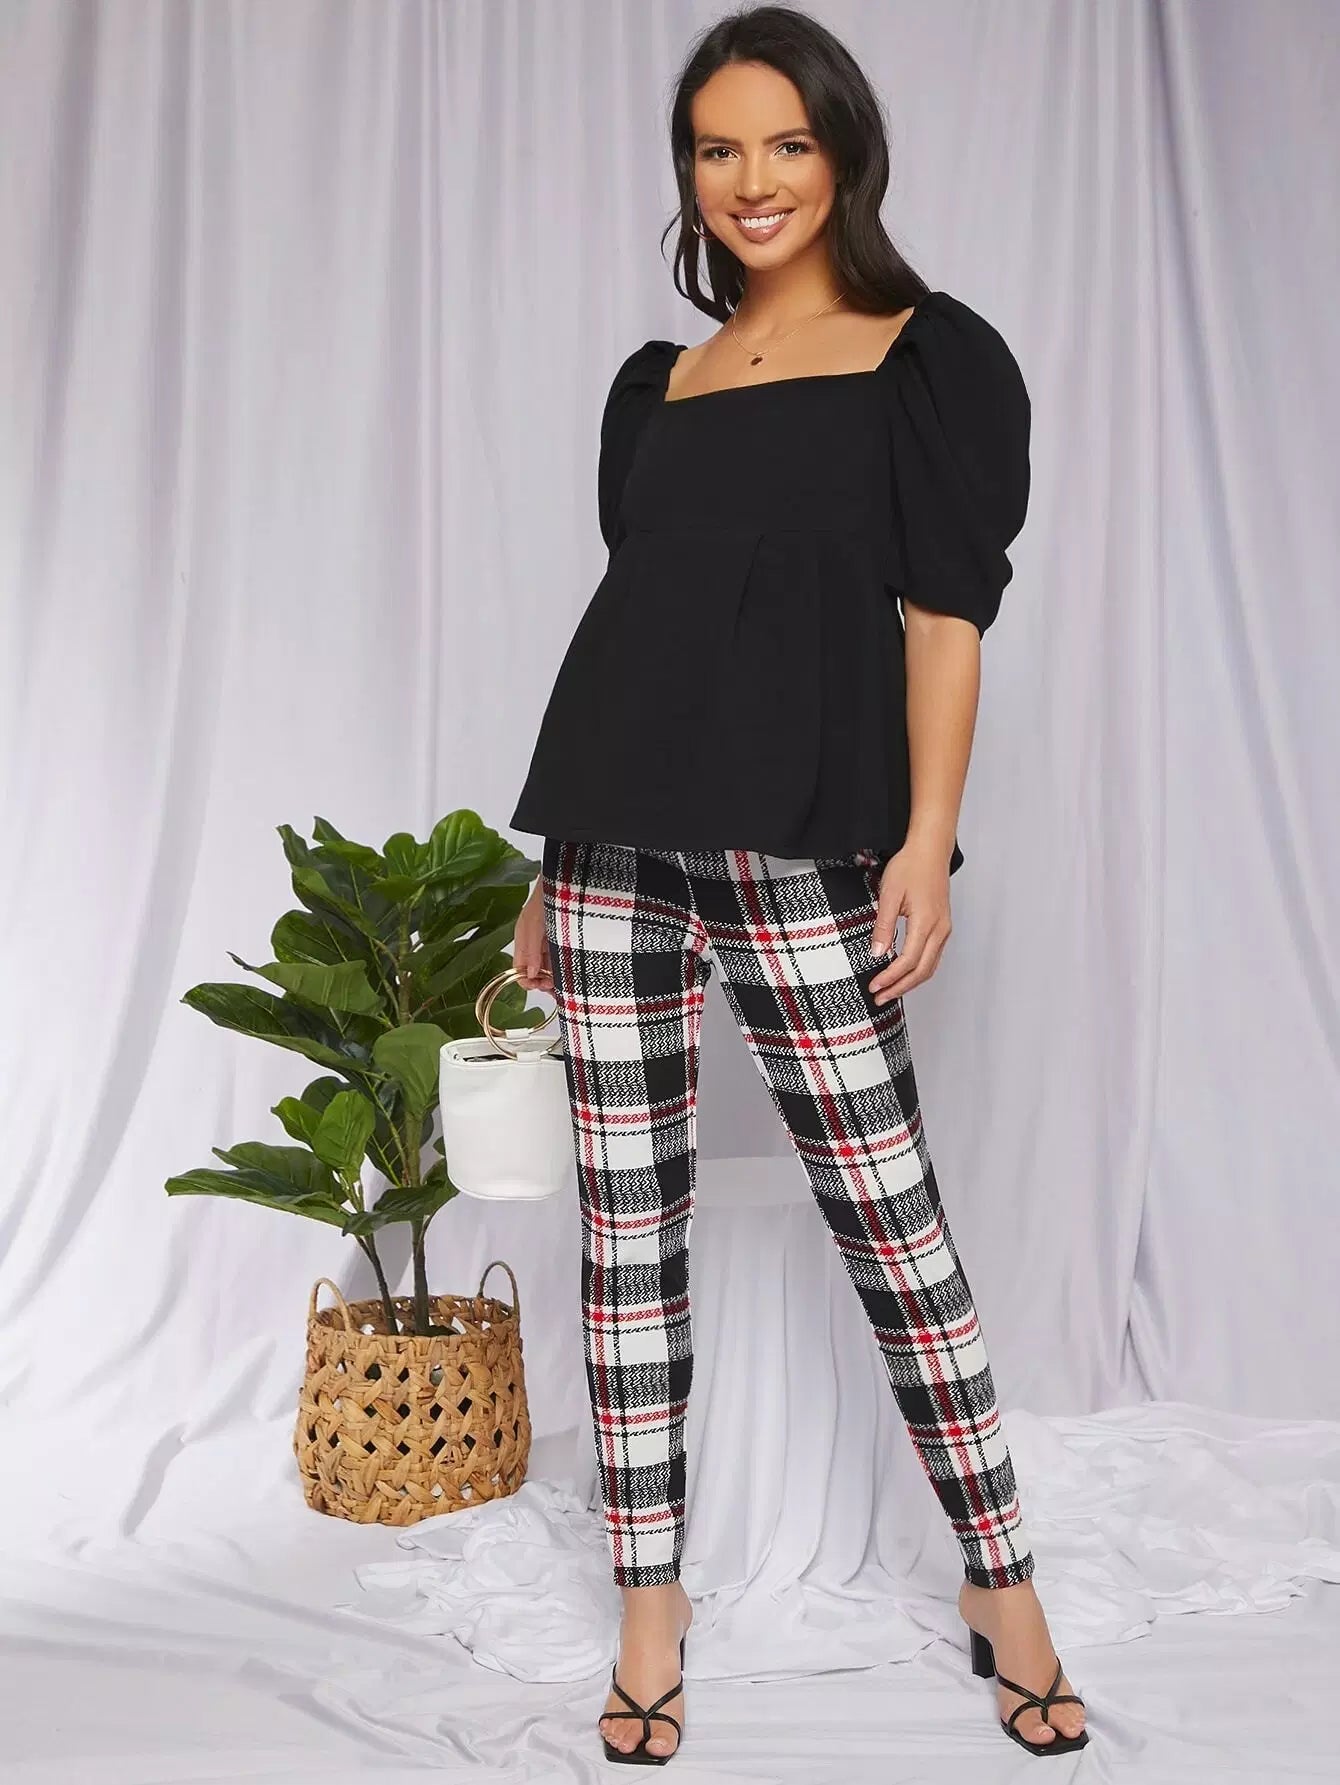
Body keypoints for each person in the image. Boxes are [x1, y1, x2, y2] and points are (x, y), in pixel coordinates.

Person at [509, 5, 1088, 1765]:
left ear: (844, 155)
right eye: (717, 148)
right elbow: (641, 633)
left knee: (893, 1225)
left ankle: (1004, 1583)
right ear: (687, 171)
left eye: (786, 143)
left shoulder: (927, 360)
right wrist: (550, 861)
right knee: (628, 1236)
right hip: (613, 847)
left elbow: (945, 619)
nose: (750, 180)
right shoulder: (660, 385)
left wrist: (926, 839)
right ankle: (651, 1607)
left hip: (808, 850)